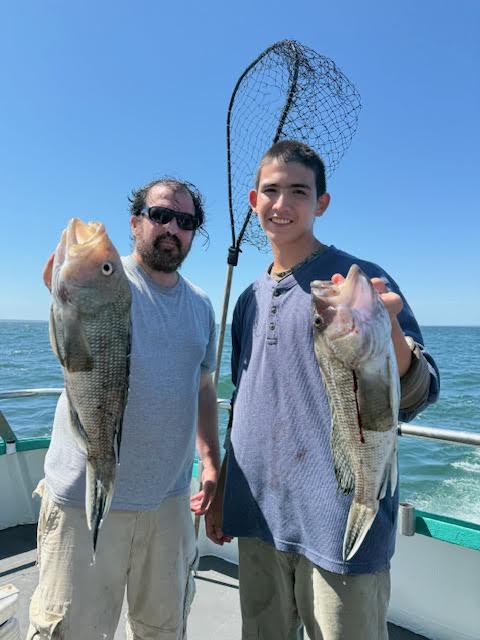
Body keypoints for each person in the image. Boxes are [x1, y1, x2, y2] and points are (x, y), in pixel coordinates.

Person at [206, 140, 440, 640]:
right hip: (258, 517)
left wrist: (387, 330)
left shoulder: (363, 280)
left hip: (339, 525)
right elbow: (244, 398)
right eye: (271, 191)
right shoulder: (248, 298)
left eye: (298, 191)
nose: (282, 204)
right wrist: (226, 488)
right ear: (253, 201)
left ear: (322, 203)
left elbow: (420, 389)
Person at [28, 177, 220, 640]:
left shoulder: (201, 305)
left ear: (194, 233)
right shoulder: (108, 278)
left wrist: (211, 461)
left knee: (162, 630)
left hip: (170, 503)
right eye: (159, 215)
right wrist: (65, 276)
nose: (172, 227)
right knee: (71, 631)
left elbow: (204, 389)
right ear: (136, 223)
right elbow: (63, 295)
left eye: (186, 221)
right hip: (81, 500)